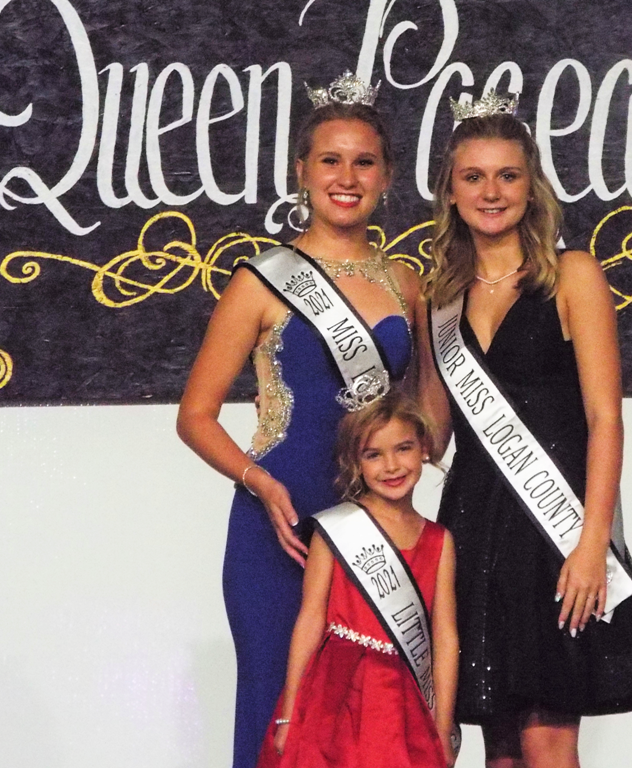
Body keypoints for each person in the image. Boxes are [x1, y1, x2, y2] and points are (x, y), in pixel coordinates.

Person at [176, 73, 440, 768]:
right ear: (301, 171)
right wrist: (260, 484)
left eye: (363, 162)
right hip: (281, 525)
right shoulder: (260, 279)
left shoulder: (406, 282)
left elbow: (423, 415)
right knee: (277, 711)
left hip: (373, 526)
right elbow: (195, 417)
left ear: (387, 175)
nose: (346, 178)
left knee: (364, 721)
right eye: (330, 160)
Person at [424, 95, 632, 768]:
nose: (491, 192)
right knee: (499, 748)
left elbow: (606, 419)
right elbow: (432, 433)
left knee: (549, 742)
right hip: (474, 527)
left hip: (556, 528)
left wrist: (592, 542)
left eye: (508, 175)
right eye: (474, 177)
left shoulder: (572, 275)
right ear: (450, 191)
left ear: (532, 186)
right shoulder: (439, 295)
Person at [255, 389, 458, 768]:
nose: (391, 466)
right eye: (373, 455)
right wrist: (289, 714)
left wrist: (442, 727)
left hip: (402, 700)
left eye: (403, 448)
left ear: (424, 449)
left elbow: (445, 637)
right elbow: (310, 619)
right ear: (355, 462)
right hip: (335, 695)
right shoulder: (336, 528)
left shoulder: (439, 541)